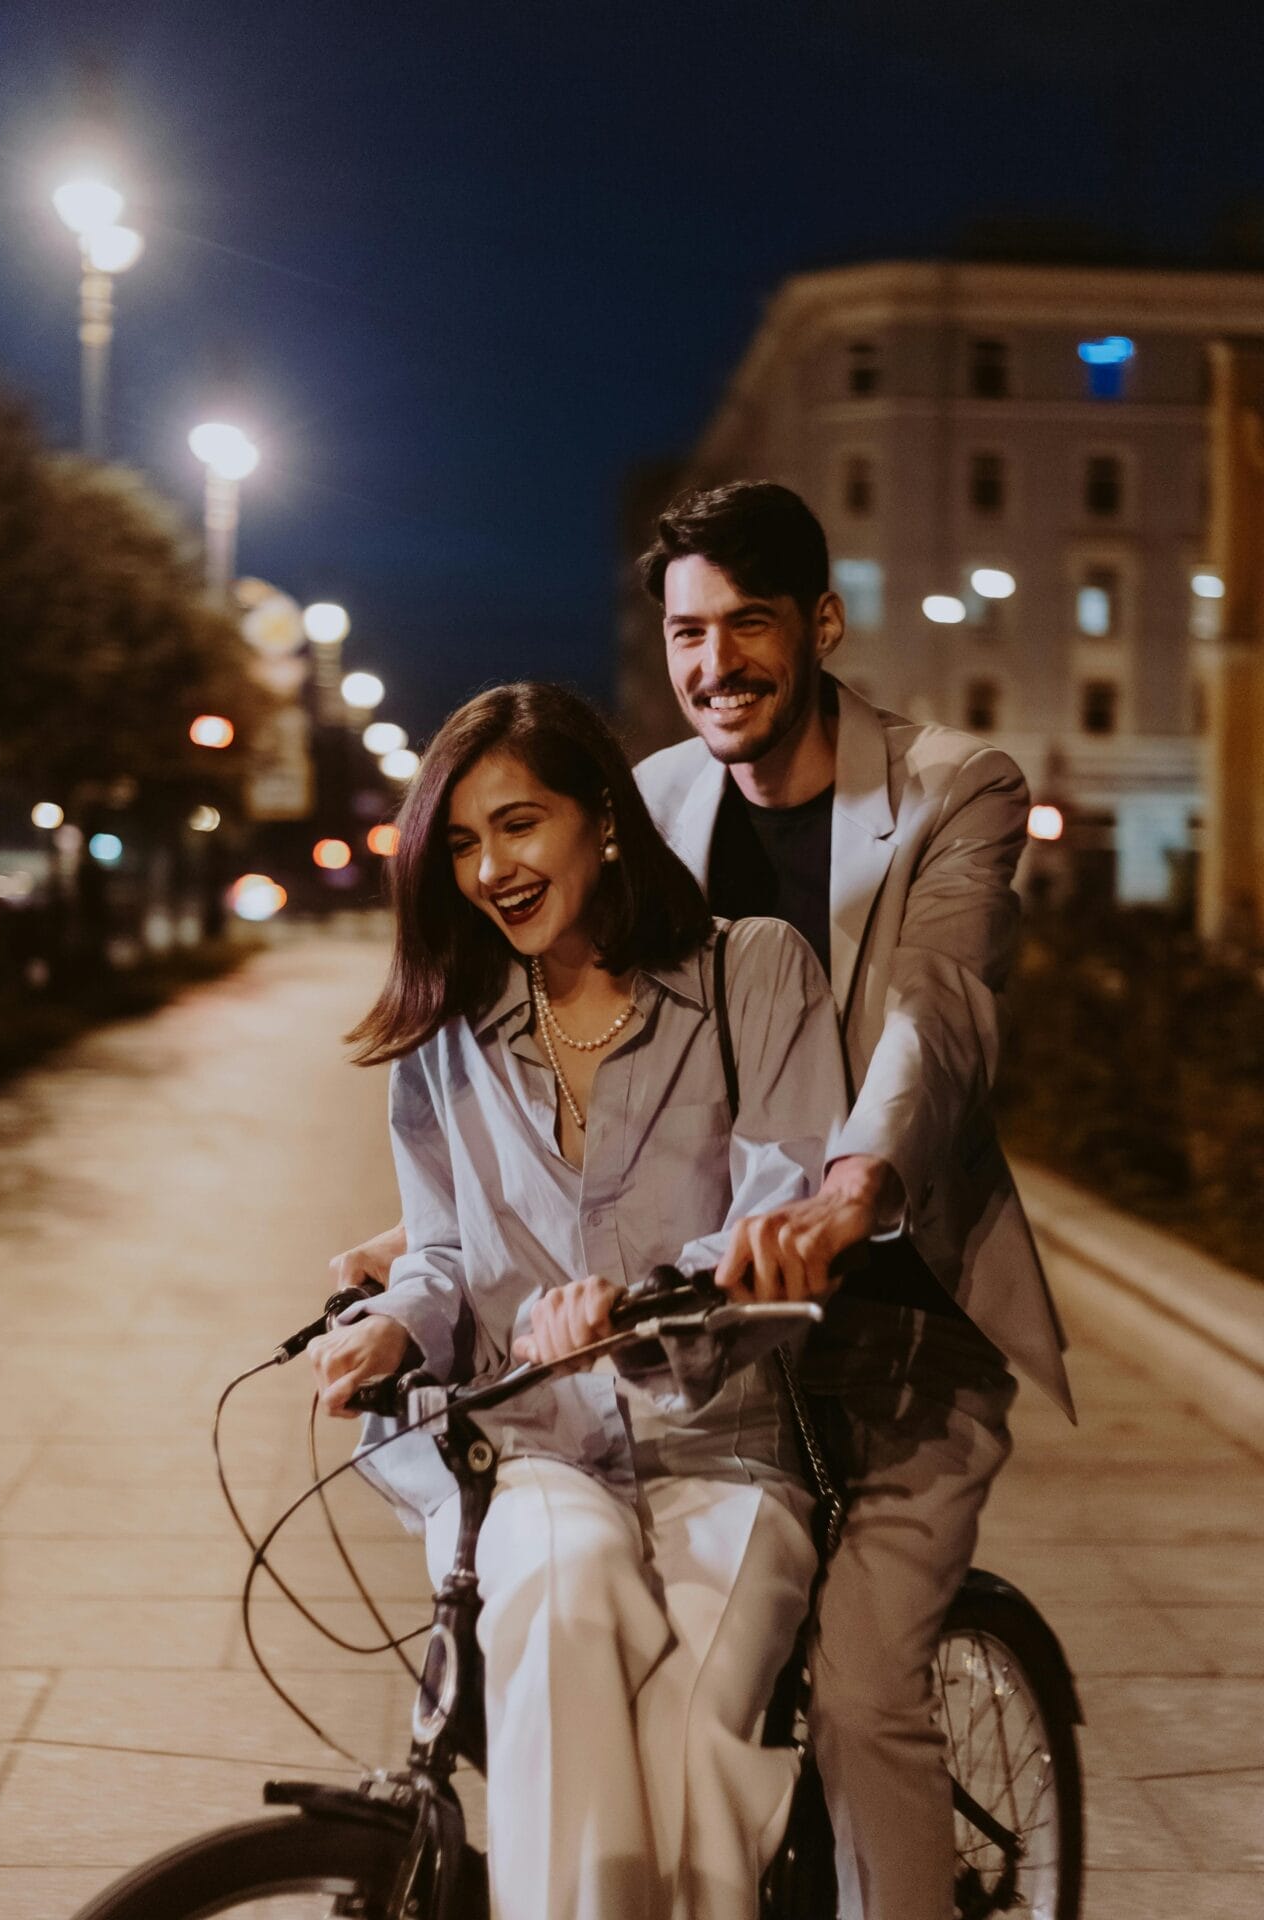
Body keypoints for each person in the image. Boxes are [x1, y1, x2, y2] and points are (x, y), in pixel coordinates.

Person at [332, 483, 1075, 1920]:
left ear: (821, 626)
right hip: (693, 1342)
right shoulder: (652, 800)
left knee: (861, 1701)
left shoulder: (951, 789)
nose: (715, 660)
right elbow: (593, 1070)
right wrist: (447, 1249)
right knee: (597, 1659)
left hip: (891, 1322)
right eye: (688, 630)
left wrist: (852, 1185)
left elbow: (940, 1012)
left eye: (748, 623)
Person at [309, 680, 852, 1920]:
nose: (489, 867)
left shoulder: (752, 973)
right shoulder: (447, 1033)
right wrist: (398, 1318)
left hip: (721, 1451)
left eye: (517, 823)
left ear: (600, 818)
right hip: (537, 1447)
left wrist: (642, 1306)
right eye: (459, 841)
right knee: (554, 1603)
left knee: (687, 1758)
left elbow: (781, 1213)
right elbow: (443, 1256)